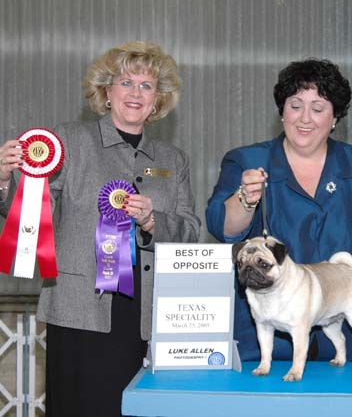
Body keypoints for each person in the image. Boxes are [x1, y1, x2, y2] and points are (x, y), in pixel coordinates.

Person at [0, 41, 201, 417]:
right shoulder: (69, 141)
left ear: (158, 100)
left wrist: (152, 221)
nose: (136, 93)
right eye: (126, 82)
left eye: (147, 86)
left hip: (149, 318)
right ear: (107, 92)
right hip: (81, 312)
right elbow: (25, 214)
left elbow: (190, 230)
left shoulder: (174, 160)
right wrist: (2, 180)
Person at [206, 58, 352, 363]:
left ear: (336, 116)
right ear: (282, 112)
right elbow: (223, 227)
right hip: (264, 345)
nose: (305, 118)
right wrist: (245, 198)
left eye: (318, 108)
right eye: (295, 105)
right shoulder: (245, 160)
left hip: (346, 340)